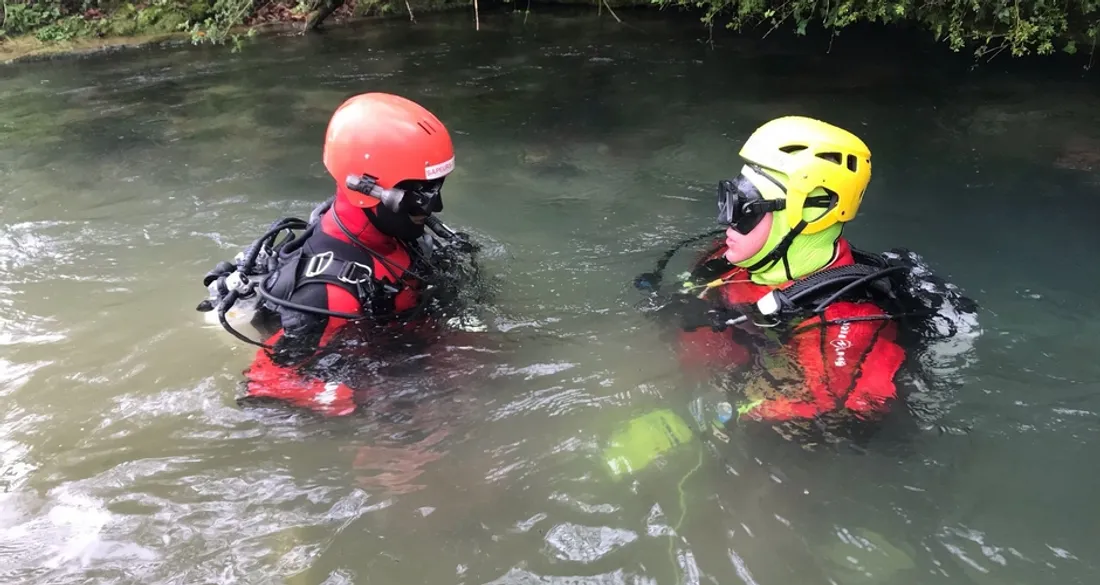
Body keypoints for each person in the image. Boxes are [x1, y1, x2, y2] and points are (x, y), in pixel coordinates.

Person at [629, 115, 979, 447]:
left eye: (744, 206)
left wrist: (690, 424)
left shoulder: (843, 327)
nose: (727, 221)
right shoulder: (728, 258)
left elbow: (829, 421)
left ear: (810, 213)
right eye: (728, 197)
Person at [197, 92, 485, 417]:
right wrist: (378, 398)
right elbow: (265, 389)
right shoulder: (325, 295)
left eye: (436, 188)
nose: (435, 207)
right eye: (420, 195)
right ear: (366, 190)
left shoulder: (401, 234)